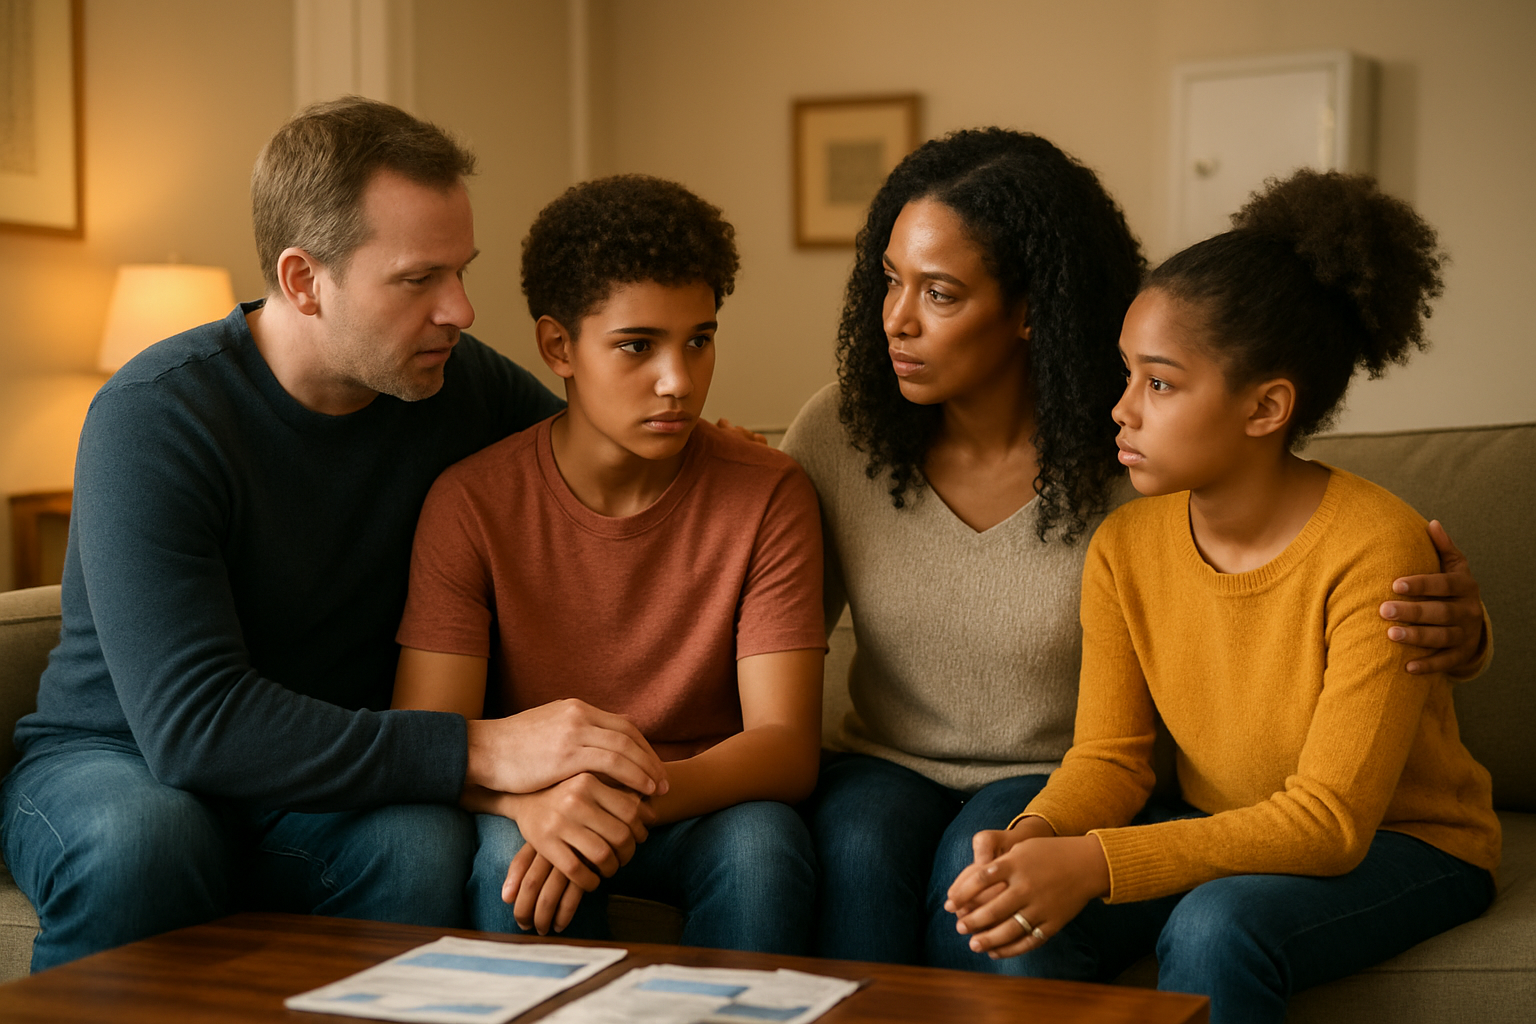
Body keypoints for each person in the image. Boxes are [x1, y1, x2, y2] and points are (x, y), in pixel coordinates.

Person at [779, 129, 1492, 966]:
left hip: (1159, 791)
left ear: (1030, 308)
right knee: (881, 861)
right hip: (946, 773)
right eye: (889, 281)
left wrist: (1467, 634)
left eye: (939, 293)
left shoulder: (1148, 462)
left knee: (1073, 914)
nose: (894, 319)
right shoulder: (1119, 518)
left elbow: (1289, 572)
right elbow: (761, 606)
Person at [0, 97, 672, 971]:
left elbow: (595, 474)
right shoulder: (153, 419)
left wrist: (705, 457)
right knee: (146, 841)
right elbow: (198, 728)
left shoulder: (456, 386)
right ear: (303, 280)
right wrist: (487, 751)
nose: (462, 310)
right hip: (119, 758)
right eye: (418, 279)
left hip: (327, 774)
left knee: (415, 847)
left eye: (460, 271)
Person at [941, 169, 1500, 1023]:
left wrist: (1098, 864)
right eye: (1126, 374)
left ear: (1266, 407)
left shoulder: (1373, 547)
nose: (1121, 409)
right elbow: (1111, 758)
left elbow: (1327, 824)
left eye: (1159, 384)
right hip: (1226, 827)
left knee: (1218, 926)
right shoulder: (1125, 545)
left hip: (1405, 845)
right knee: (1014, 909)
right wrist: (1039, 838)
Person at [390, 175, 826, 954]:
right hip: (538, 804)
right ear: (558, 346)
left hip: (704, 803)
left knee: (765, 851)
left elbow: (786, 745)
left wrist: (623, 798)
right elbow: (430, 737)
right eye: (637, 346)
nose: (679, 381)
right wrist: (539, 803)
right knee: (510, 866)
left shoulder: (769, 491)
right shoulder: (471, 502)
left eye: (699, 339)